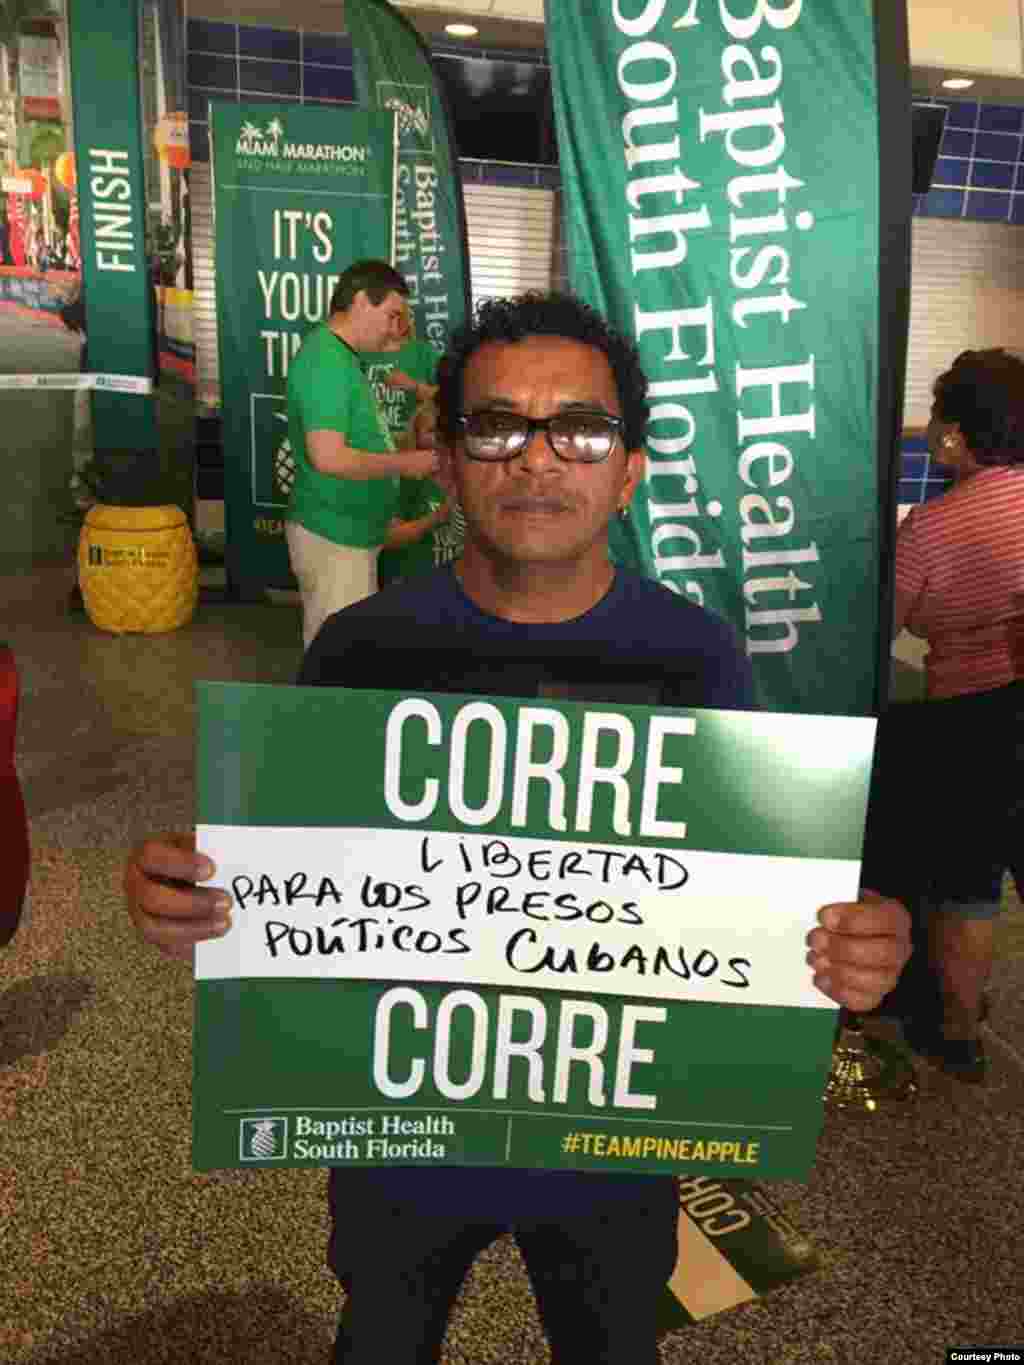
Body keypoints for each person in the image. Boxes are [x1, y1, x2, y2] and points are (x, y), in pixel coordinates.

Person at [125, 292, 911, 1365]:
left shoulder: (699, 658)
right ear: (444, 458)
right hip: (394, 1136)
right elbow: (294, 891)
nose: (535, 459)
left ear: (627, 468)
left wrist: (850, 945)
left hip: (616, 1149)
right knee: (383, 1340)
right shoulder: (360, 649)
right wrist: (190, 896)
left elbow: (752, 899)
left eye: (579, 429)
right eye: (494, 425)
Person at [893, 347, 1024, 1082]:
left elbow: (892, 622)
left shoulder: (932, 529)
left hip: (971, 718)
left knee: (967, 881)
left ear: (955, 433)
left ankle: (957, 1031)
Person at [284, 259, 438, 649]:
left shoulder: (342, 358)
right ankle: (324, 713)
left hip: (350, 534)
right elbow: (328, 457)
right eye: (390, 315)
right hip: (335, 536)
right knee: (337, 654)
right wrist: (406, 463)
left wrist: (404, 446)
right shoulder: (326, 362)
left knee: (347, 650)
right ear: (359, 302)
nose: (394, 328)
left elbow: (353, 441)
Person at [364, 305, 466, 586]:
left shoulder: (422, 354)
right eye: (389, 314)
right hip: (378, 463)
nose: (395, 322)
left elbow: (452, 396)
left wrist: (413, 386)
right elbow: (389, 537)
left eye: (402, 314)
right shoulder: (359, 354)